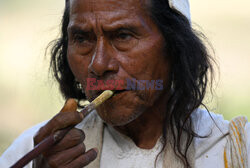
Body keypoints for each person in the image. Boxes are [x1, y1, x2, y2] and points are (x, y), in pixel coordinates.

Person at [0, 0, 249, 167]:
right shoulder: (32, 151)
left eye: (122, 36)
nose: (97, 65)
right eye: (82, 39)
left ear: (175, 46)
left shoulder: (231, 151)